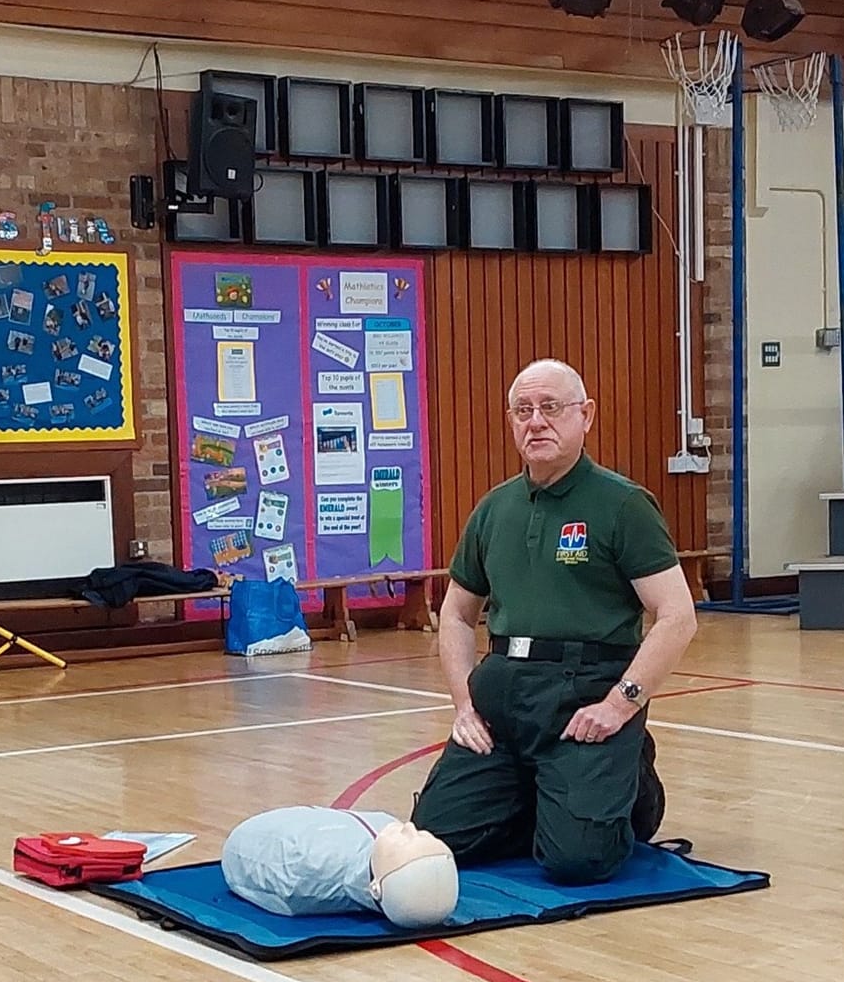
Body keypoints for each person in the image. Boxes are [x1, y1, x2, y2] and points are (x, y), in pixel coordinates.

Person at [412, 358, 698, 885]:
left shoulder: (623, 505)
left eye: (551, 407)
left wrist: (620, 705)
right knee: (433, 839)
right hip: (502, 698)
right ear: (510, 421)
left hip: (583, 698)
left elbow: (677, 616)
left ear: (585, 415)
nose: (536, 422)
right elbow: (455, 613)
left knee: (577, 862)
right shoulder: (494, 509)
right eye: (523, 410)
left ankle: (629, 781)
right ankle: (552, 794)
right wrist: (464, 706)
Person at [221, 806, 459, 929]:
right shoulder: (386, 826)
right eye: (423, 835)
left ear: (375, 888)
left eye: (404, 842)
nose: (409, 828)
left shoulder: (304, 865)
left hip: (251, 843)